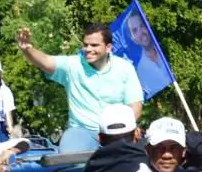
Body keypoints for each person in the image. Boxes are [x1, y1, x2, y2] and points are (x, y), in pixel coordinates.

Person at [17, 23, 143, 154]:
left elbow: (135, 106)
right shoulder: (73, 65)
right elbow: (46, 61)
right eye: (85, 45)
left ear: (108, 47)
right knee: (68, 158)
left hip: (116, 131)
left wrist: (127, 126)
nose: (88, 49)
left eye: (94, 45)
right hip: (81, 131)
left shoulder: (125, 68)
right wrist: (27, 49)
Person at [125, 10, 167, 94]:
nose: (141, 32)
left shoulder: (166, 50)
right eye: (135, 30)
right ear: (133, 38)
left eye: (142, 25)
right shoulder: (140, 70)